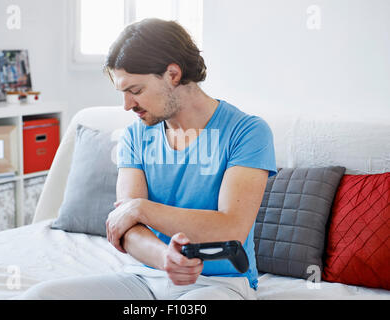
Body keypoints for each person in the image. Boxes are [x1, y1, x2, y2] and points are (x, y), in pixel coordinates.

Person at [18, 18, 277, 300]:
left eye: (136, 91)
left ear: (173, 74)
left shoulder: (247, 131)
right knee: (38, 297)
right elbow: (125, 227)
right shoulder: (134, 137)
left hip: (221, 286)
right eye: (123, 93)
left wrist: (141, 208)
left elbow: (231, 229)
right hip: (146, 277)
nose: (127, 105)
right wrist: (166, 258)